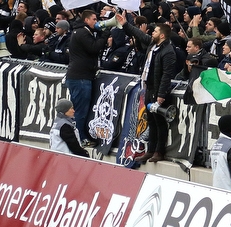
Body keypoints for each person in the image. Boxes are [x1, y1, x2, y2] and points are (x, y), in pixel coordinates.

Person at [119, 13, 176, 162]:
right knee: (151, 121)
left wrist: (161, 94)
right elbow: (140, 35)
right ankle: (150, 150)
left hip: (159, 91)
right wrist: (125, 24)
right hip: (149, 87)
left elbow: (166, 75)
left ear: (162, 35)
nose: (152, 33)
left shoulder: (168, 51)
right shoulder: (153, 45)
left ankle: (159, 151)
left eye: (155, 31)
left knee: (159, 122)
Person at [65, 10, 109, 147]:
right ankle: (81, 138)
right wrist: (104, 35)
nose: (96, 22)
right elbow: (94, 48)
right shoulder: (83, 33)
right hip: (81, 78)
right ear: (86, 20)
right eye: (94, 19)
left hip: (78, 76)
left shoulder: (78, 31)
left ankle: (78, 136)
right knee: (81, 111)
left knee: (77, 109)